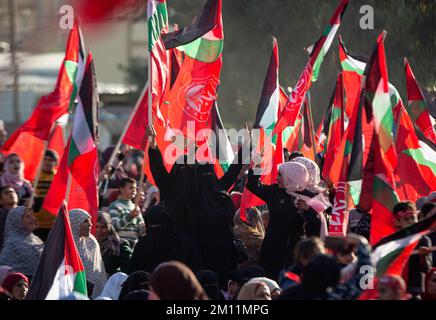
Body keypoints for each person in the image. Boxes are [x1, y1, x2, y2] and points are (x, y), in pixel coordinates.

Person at [147, 125, 248, 282]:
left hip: (214, 255)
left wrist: (246, 146)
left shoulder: (215, 194)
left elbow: (232, 173)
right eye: (185, 168)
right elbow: (159, 171)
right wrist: (153, 146)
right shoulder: (173, 191)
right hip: (184, 256)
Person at [246, 160, 321, 281]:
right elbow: (253, 185)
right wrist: (256, 167)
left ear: (293, 176)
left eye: (280, 175)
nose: (277, 178)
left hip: (296, 248)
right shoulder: (274, 192)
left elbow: (320, 222)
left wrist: (308, 210)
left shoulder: (310, 196)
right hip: (273, 245)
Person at [278, 234, 371, 300]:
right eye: (318, 255)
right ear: (304, 260)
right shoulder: (339, 294)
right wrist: (362, 244)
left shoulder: (289, 294)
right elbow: (365, 279)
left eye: (324, 253)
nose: (324, 257)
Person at [128, 205, 202, 273]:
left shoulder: (183, 244)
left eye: (159, 226)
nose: (155, 229)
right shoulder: (142, 245)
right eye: (152, 226)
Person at [393, 201, 432, 298]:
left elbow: (426, 269)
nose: (411, 222)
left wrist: (423, 256)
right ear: (398, 222)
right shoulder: (392, 242)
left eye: (413, 218)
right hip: (395, 289)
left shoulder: (423, 240)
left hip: (414, 290)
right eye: (406, 219)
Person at [69, 208, 107, 299]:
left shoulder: (92, 241)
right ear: (75, 223)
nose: (90, 224)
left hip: (95, 291)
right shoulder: (65, 243)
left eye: (90, 221)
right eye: (85, 221)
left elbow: (99, 270)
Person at [0, 206, 43, 277]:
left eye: (32, 215)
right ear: (17, 221)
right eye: (28, 216)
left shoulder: (36, 239)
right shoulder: (12, 243)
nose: (33, 218)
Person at [109, 177, 145, 248]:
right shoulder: (115, 206)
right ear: (122, 190)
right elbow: (114, 227)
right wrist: (129, 217)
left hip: (134, 244)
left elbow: (141, 230)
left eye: (135, 188)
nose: (134, 190)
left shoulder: (136, 207)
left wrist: (144, 227)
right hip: (121, 244)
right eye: (131, 188)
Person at [33, 150, 59, 242]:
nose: (47, 162)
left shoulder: (59, 178)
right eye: (44, 159)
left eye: (50, 160)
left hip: (53, 224)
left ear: (55, 162)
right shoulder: (34, 176)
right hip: (35, 223)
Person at [96, 211, 132, 276]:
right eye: (96, 227)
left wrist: (114, 278)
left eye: (103, 227)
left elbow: (128, 268)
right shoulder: (88, 244)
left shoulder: (120, 245)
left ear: (109, 227)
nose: (99, 231)